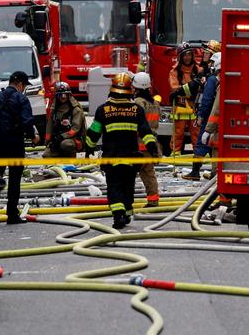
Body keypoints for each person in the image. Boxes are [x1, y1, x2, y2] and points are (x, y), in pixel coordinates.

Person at [85, 71, 160, 230]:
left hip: (111, 157)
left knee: (114, 187)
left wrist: (88, 148)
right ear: (129, 90)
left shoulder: (103, 110)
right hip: (131, 157)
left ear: (112, 89)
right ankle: (126, 213)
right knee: (128, 186)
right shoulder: (136, 109)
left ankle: (118, 214)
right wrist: (152, 147)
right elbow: (146, 132)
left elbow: (93, 133)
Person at [0, 71, 38, 224]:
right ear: (20, 84)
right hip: (14, 144)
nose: (24, 89)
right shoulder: (21, 99)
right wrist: (33, 137)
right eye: (24, 86)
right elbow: (27, 122)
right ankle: (12, 214)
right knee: (14, 180)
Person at [185, 52, 221, 180]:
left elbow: (206, 101)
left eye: (212, 62)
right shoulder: (222, 80)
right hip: (219, 118)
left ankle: (195, 172)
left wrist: (200, 117)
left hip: (209, 117)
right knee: (214, 144)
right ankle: (215, 172)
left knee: (201, 143)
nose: (210, 65)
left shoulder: (212, 80)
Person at [130, 71, 161, 205]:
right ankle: (153, 200)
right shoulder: (155, 102)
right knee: (149, 173)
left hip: (138, 144)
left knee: (129, 174)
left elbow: (135, 124)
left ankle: (126, 200)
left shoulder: (137, 102)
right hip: (151, 143)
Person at [168, 44, 203, 156]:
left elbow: (203, 86)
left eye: (189, 55)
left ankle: (198, 153)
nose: (187, 57)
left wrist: (184, 90)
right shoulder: (175, 72)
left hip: (195, 106)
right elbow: (175, 89)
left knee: (196, 131)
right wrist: (190, 89)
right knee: (178, 131)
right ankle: (175, 152)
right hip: (181, 106)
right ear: (180, 57)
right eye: (185, 55)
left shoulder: (199, 69)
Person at [44, 82, 86, 158]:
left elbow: (75, 129)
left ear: (69, 95)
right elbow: (49, 126)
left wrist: (61, 137)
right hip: (57, 139)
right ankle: (60, 155)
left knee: (65, 145)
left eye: (65, 94)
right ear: (56, 95)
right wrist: (48, 141)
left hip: (72, 139)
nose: (63, 97)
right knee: (46, 156)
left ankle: (71, 158)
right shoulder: (54, 110)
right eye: (60, 94)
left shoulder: (75, 109)